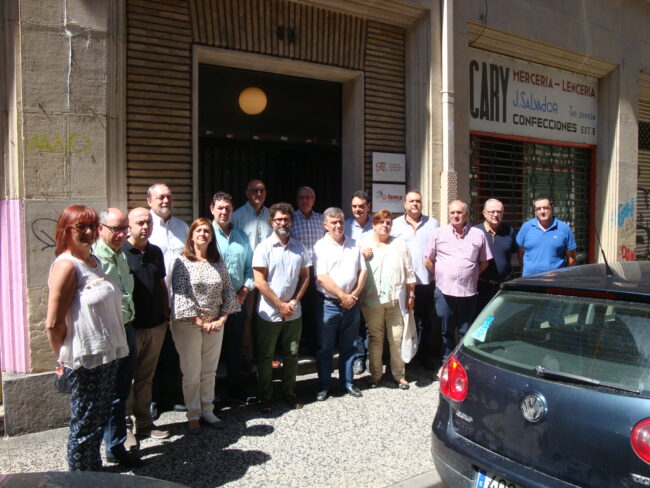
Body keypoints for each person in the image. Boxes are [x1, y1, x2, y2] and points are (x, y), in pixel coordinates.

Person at [45, 205, 128, 471]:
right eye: (81, 227)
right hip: (85, 361)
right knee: (84, 425)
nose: (89, 232)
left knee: (97, 420)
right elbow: (53, 323)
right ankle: (80, 478)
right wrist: (63, 359)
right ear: (65, 230)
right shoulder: (67, 266)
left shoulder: (94, 262)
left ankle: (93, 472)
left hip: (106, 355)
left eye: (92, 226)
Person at [171, 218, 240, 432]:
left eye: (207, 231)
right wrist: (200, 321)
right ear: (191, 235)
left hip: (215, 324)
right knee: (192, 372)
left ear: (211, 237)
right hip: (189, 324)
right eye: (199, 230)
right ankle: (193, 413)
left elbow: (228, 290)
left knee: (209, 370)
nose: (203, 234)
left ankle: (207, 410)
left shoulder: (217, 262)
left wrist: (222, 318)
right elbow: (180, 294)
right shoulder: (182, 261)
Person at [93, 208, 142, 468]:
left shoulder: (121, 254)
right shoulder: (94, 259)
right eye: (116, 229)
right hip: (108, 332)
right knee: (107, 394)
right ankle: (108, 448)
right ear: (100, 228)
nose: (122, 234)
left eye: (125, 229)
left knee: (121, 391)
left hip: (127, 328)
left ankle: (115, 446)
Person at [253, 202, 311, 413]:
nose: (282, 223)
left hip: (294, 312)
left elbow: (306, 277)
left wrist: (293, 302)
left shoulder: (299, 247)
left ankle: (289, 392)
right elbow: (259, 281)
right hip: (269, 313)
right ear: (271, 222)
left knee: (292, 354)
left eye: (286, 219)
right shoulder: (263, 248)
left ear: (292, 221)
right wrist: (280, 304)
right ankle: (265, 395)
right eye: (278, 219)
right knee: (265, 356)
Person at [123, 208, 170, 443]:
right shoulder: (121, 252)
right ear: (129, 226)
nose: (145, 227)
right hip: (131, 327)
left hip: (156, 325)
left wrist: (166, 312)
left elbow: (161, 283)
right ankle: (125, 428)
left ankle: (144, 423)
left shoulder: (155, 251)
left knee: (146, 377)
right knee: (127, 379)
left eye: (148, 222)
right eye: (140, 222)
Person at [424, 201, 492, 364]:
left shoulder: (478, 234)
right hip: (444, 292)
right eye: (452, 212)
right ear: (449, 214)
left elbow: (484, 262)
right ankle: (447, 361)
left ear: (466, 214)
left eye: (459, 212)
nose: (456, 215)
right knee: (445, 330)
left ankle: (463, 362)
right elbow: (427, 260)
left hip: (468, 292)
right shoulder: (438, 234)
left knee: (465, 330)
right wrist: (441, 275)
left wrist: (472, 274)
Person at [313, 207, 367, 401]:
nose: (338, 226)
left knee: (349, 345)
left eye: (341, 222)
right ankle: (324, 385)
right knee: (325, 348)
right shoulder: (320, 246)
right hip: (328, 304)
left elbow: (363, 271)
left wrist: (353, 295)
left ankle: (348, 382)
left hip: (352, 303)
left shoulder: (355, 243)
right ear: (325, 225)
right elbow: (322, 277)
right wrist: (342, 296)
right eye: (333, 222)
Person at [360, 210, 416, 390]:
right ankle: (375, 374)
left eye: (388, 222)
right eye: (381, 222)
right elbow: (355, 269)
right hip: (372, 300)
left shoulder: (399, 244)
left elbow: (409, 271)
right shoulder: (364, 245)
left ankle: (399, 375)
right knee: (375, 338)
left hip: (396, 300)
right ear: (374, 224)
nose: (385, 225)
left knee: (397, 338)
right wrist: (361, 255)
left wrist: (411, 295)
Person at [210, 191, 255, 404]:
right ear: (212, 209)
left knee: (234, 348)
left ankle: (236, 390)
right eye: (220, 208)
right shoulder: (205, 233)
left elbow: (250, 269)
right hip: (211, 303)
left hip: (237, 301)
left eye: (227, 208)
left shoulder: (241, 236)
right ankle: (210, 396)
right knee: (211, 352)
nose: (224, 212)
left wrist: (244, 292)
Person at [147, 183, 188, 414]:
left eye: (169, 197)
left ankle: (171, 396)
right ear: (149, 201)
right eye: (160, 197)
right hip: (153, 299)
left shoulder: (182, 227)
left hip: (179, 299)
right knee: (151, 352)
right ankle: (151, 400)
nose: (165, 201)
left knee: (173, 351)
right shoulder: (145, 226)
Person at [391, 190, 440, 369]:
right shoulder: (395, 225)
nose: (415, 204)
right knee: (402, 321)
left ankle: (423, 356)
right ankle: (404, 359)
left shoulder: (433, 223)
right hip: (403, 283)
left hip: (426, 281)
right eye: (411, 201)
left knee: (424, 321)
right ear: (404, 204)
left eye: (418, 201)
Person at [232, 178, 273, 372]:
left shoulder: (271, 215)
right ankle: (247, 357)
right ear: (247, 193)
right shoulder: (237, 216)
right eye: (255, 190)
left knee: (267, 316)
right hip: (247, 275)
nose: (259, 194)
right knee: (247, 317)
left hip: (268, 275)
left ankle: (266, 356)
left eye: (262, 190)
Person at [291, 186, 325, 356]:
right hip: (298, 272)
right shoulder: (291, 219)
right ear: (297, 200)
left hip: (318, 271)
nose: (305, 201)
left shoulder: (321, 219)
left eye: (308, 197)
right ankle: (294, 347)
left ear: (313, 200)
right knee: (296, 308)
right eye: (301, 197)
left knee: (315, 309)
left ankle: (314, 346)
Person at [344, 190, 373, 375]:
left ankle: (371, 357)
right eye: (354, 206)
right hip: (353, 281)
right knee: (356, 322)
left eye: (361, 206)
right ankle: (359, 357)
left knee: (372, 321)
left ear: (368, 206)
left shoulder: (377, 225)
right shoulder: (345, 225)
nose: (357, 209)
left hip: (374, 281)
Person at [473, 199, 519, 314]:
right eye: (492, 211)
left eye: (499, 212)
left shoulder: (509, 231)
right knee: (480, 318)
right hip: (481, 286)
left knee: (501, 318)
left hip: (503, 286)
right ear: (484, 213)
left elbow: (513, 256)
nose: (495, 215)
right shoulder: (475, 232)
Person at [516, 196, 577, 276]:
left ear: (552, 208)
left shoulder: (564, 229)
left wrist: (564, 276)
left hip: (555, 280)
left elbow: (571, 258)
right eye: (538, 209)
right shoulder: (526, 227)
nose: (542, 211)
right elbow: (520, 252)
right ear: (535, 211)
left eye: (545, 208)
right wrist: (525, 270)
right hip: (529, 279)